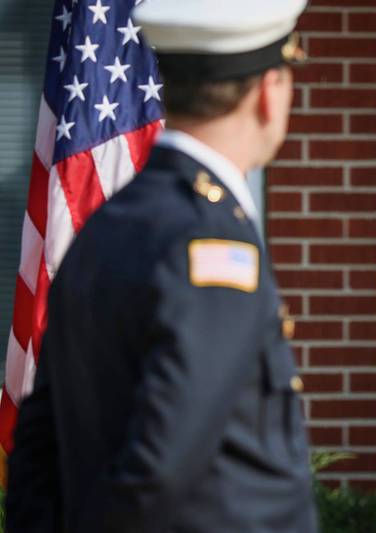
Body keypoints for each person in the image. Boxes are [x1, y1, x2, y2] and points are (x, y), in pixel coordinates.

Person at [6, 1, 315, 532]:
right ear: (269, 92)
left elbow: (38, 448)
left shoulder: (104, 227)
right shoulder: (214, 242)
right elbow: (162, 469)